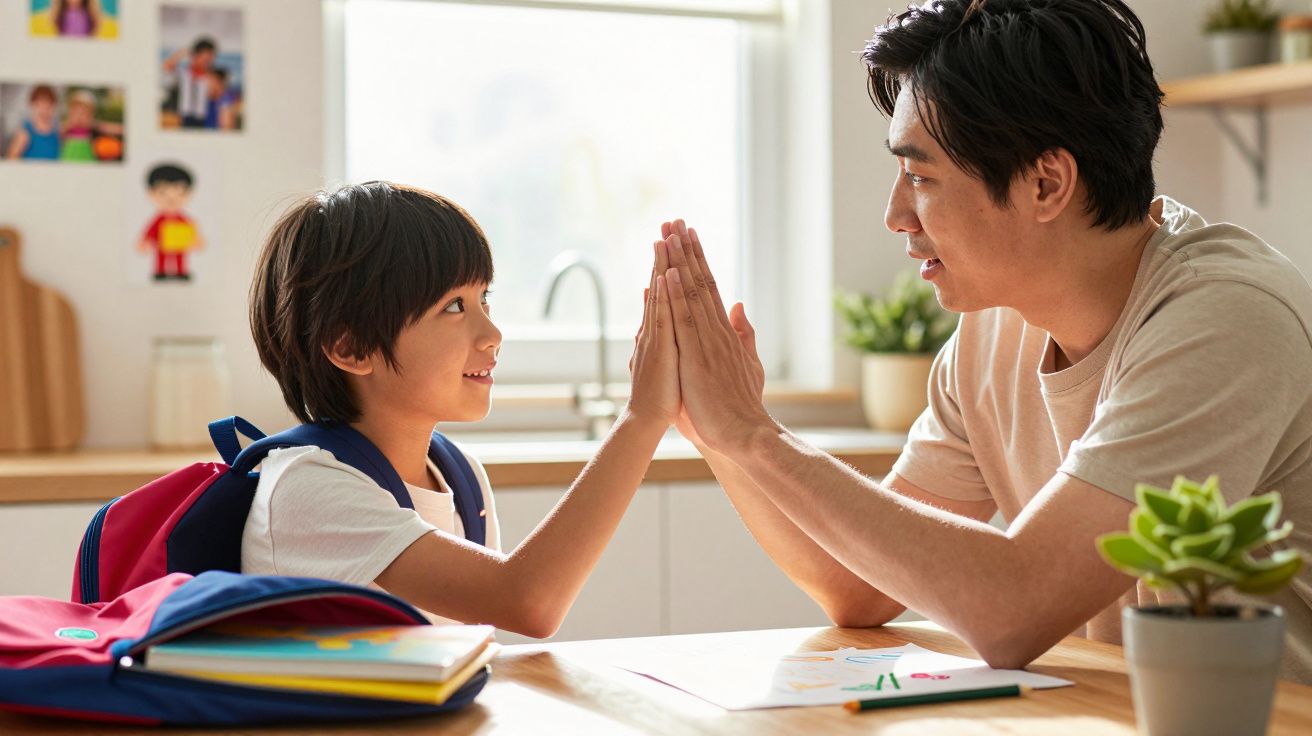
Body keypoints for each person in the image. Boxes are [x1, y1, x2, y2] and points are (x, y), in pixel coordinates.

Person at [659, 0, 1312, 683]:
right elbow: (859, 587)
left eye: (920, 176)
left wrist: (755, 435)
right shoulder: (994, 332)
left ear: (1046, 184)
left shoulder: (1227, 317)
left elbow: (1013, 610)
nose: (895, 214)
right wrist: (720, 431)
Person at [242, 181, 679, 635]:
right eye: (454, 306)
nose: (493, 334)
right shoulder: (309, 488)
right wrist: (643, 416)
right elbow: (526, 602)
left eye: (483, 298)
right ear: (351, 348)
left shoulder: (460, 475)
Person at [137, 163, 204, 280]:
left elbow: (191, 230)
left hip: (179, 244)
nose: (171, 198)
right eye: (162, 193)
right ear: (151, 194)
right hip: (162, 244)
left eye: (179, 193)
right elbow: (150, 230)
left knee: (180, 257)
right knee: (161, 258)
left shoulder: (183, 219)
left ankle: (181, 272)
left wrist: (196, 240)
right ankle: (161, 272)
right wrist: (145, 241)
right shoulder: (159, 219)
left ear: (188, 194)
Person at [163, 37, 218, 128]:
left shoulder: (209, 77)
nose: (207, 62)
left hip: (201, 118)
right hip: (183, 117)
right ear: (196, 55)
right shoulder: (184, 72)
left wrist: (210, 76)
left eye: (209, 59)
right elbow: (167, 66)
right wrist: (182, 53)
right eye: (205, 59)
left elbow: (214, 95)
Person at [5, 85, 59, 160]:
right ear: (33, 105)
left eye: (49, 104)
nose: (45, 109)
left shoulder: (57, 132)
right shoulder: (25, 133)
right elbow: (11, 159)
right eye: (41, 104)